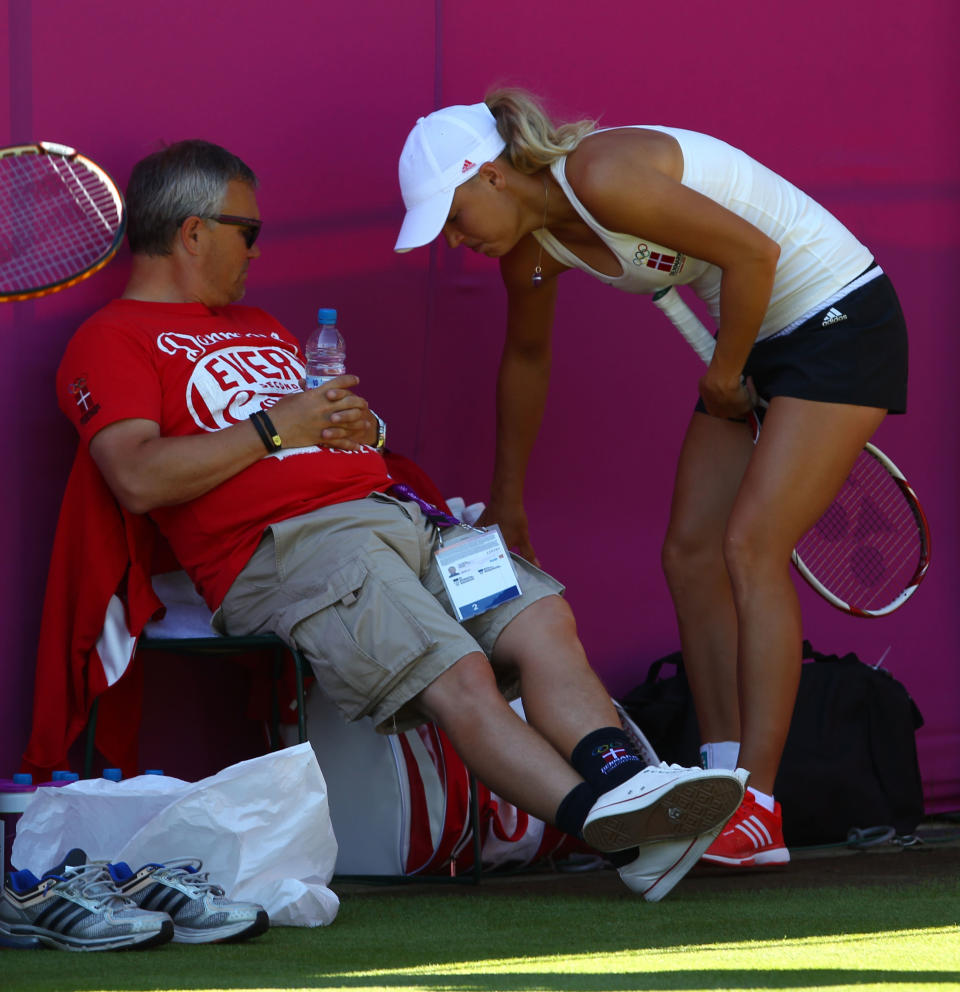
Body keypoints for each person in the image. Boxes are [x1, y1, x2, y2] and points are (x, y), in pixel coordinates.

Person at [56, 138, 745, 902]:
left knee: (541, 621)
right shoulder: (110, 338)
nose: (255, 251)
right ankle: (612, 828)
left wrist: (362, 429)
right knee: (460, 672)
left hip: (403, 522)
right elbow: (137, 476)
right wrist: (274, 429)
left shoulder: (259, 321)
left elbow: (325, 428)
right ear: (193, 231)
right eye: (247, 232)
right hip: (298, 550)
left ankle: (627, 791)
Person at [394, 93, 908, 867]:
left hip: (840, 321)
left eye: (454, 216)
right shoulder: (529, 255)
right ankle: (721, 781)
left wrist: (727, 373)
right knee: (691, 552)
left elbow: (754, 256)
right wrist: (509, 494)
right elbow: (526, 362)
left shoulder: (603, 175)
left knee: (751, 547)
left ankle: (760, 805)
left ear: (492, 176)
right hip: (759, 340)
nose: (455, 239)